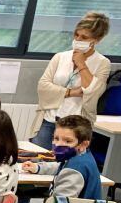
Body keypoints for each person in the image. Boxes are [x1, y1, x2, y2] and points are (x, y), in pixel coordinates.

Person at [13, 115, 102, 203]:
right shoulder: (83, 157)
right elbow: (62, 166)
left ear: (83, 144)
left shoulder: (74, 170)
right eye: (56, 138)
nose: (59, 144)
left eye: (67, 141)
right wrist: (38, 168)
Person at [30, 11, 111, 149]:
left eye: (84, 37)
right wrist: (71, 92)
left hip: (76, 127)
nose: (78, 40)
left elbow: (92, 92)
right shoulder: (60, 57)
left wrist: (81, 64)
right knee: (36, 160)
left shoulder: (103, 63)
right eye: (76, 35)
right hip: (49, 120)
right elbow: (43, 86)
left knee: (65, 165)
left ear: (96, 40)